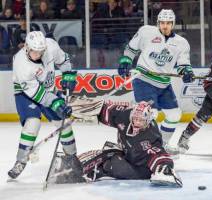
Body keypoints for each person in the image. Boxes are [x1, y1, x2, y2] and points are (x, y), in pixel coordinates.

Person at [52, 101, 182, 187]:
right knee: (105, 153)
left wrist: (165, 168)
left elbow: (158, 154)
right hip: (126, 153)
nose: (137, 122)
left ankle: (76, 172)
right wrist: (84, 109)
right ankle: (73, 166)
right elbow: (106, 110)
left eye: (141, 120)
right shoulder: (124, 114)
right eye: (135, 119)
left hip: (139, 169)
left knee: (110, 161)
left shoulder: (150, 135)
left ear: (148, 120)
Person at [117, 9, 194, 151]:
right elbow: (131, 48)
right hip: (143, 80)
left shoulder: (181, 43)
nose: (165, 26)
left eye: (168, 23)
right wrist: (125, 61)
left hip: (164, 84)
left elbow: (183, 65)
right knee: (150, 114)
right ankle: (138, 146)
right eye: (162, 23)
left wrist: (187, 72)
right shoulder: (146, 32)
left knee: (174, 114)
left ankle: (160, 145)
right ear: (158, 23)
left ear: (173, 24)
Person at [8, 31, 79, 179]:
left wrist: (68, 75)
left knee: (63, 123)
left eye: (41, 51)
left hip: (48, 89)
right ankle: (20, 161)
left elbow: (64, 60)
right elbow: (37, 94)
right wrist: (56, 102)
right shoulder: (21, 63)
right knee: (33, 123)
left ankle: (72, 158)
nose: (39, 55)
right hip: (26, 94)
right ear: (27, 47)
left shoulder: (50, 46)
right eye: (35, 52)